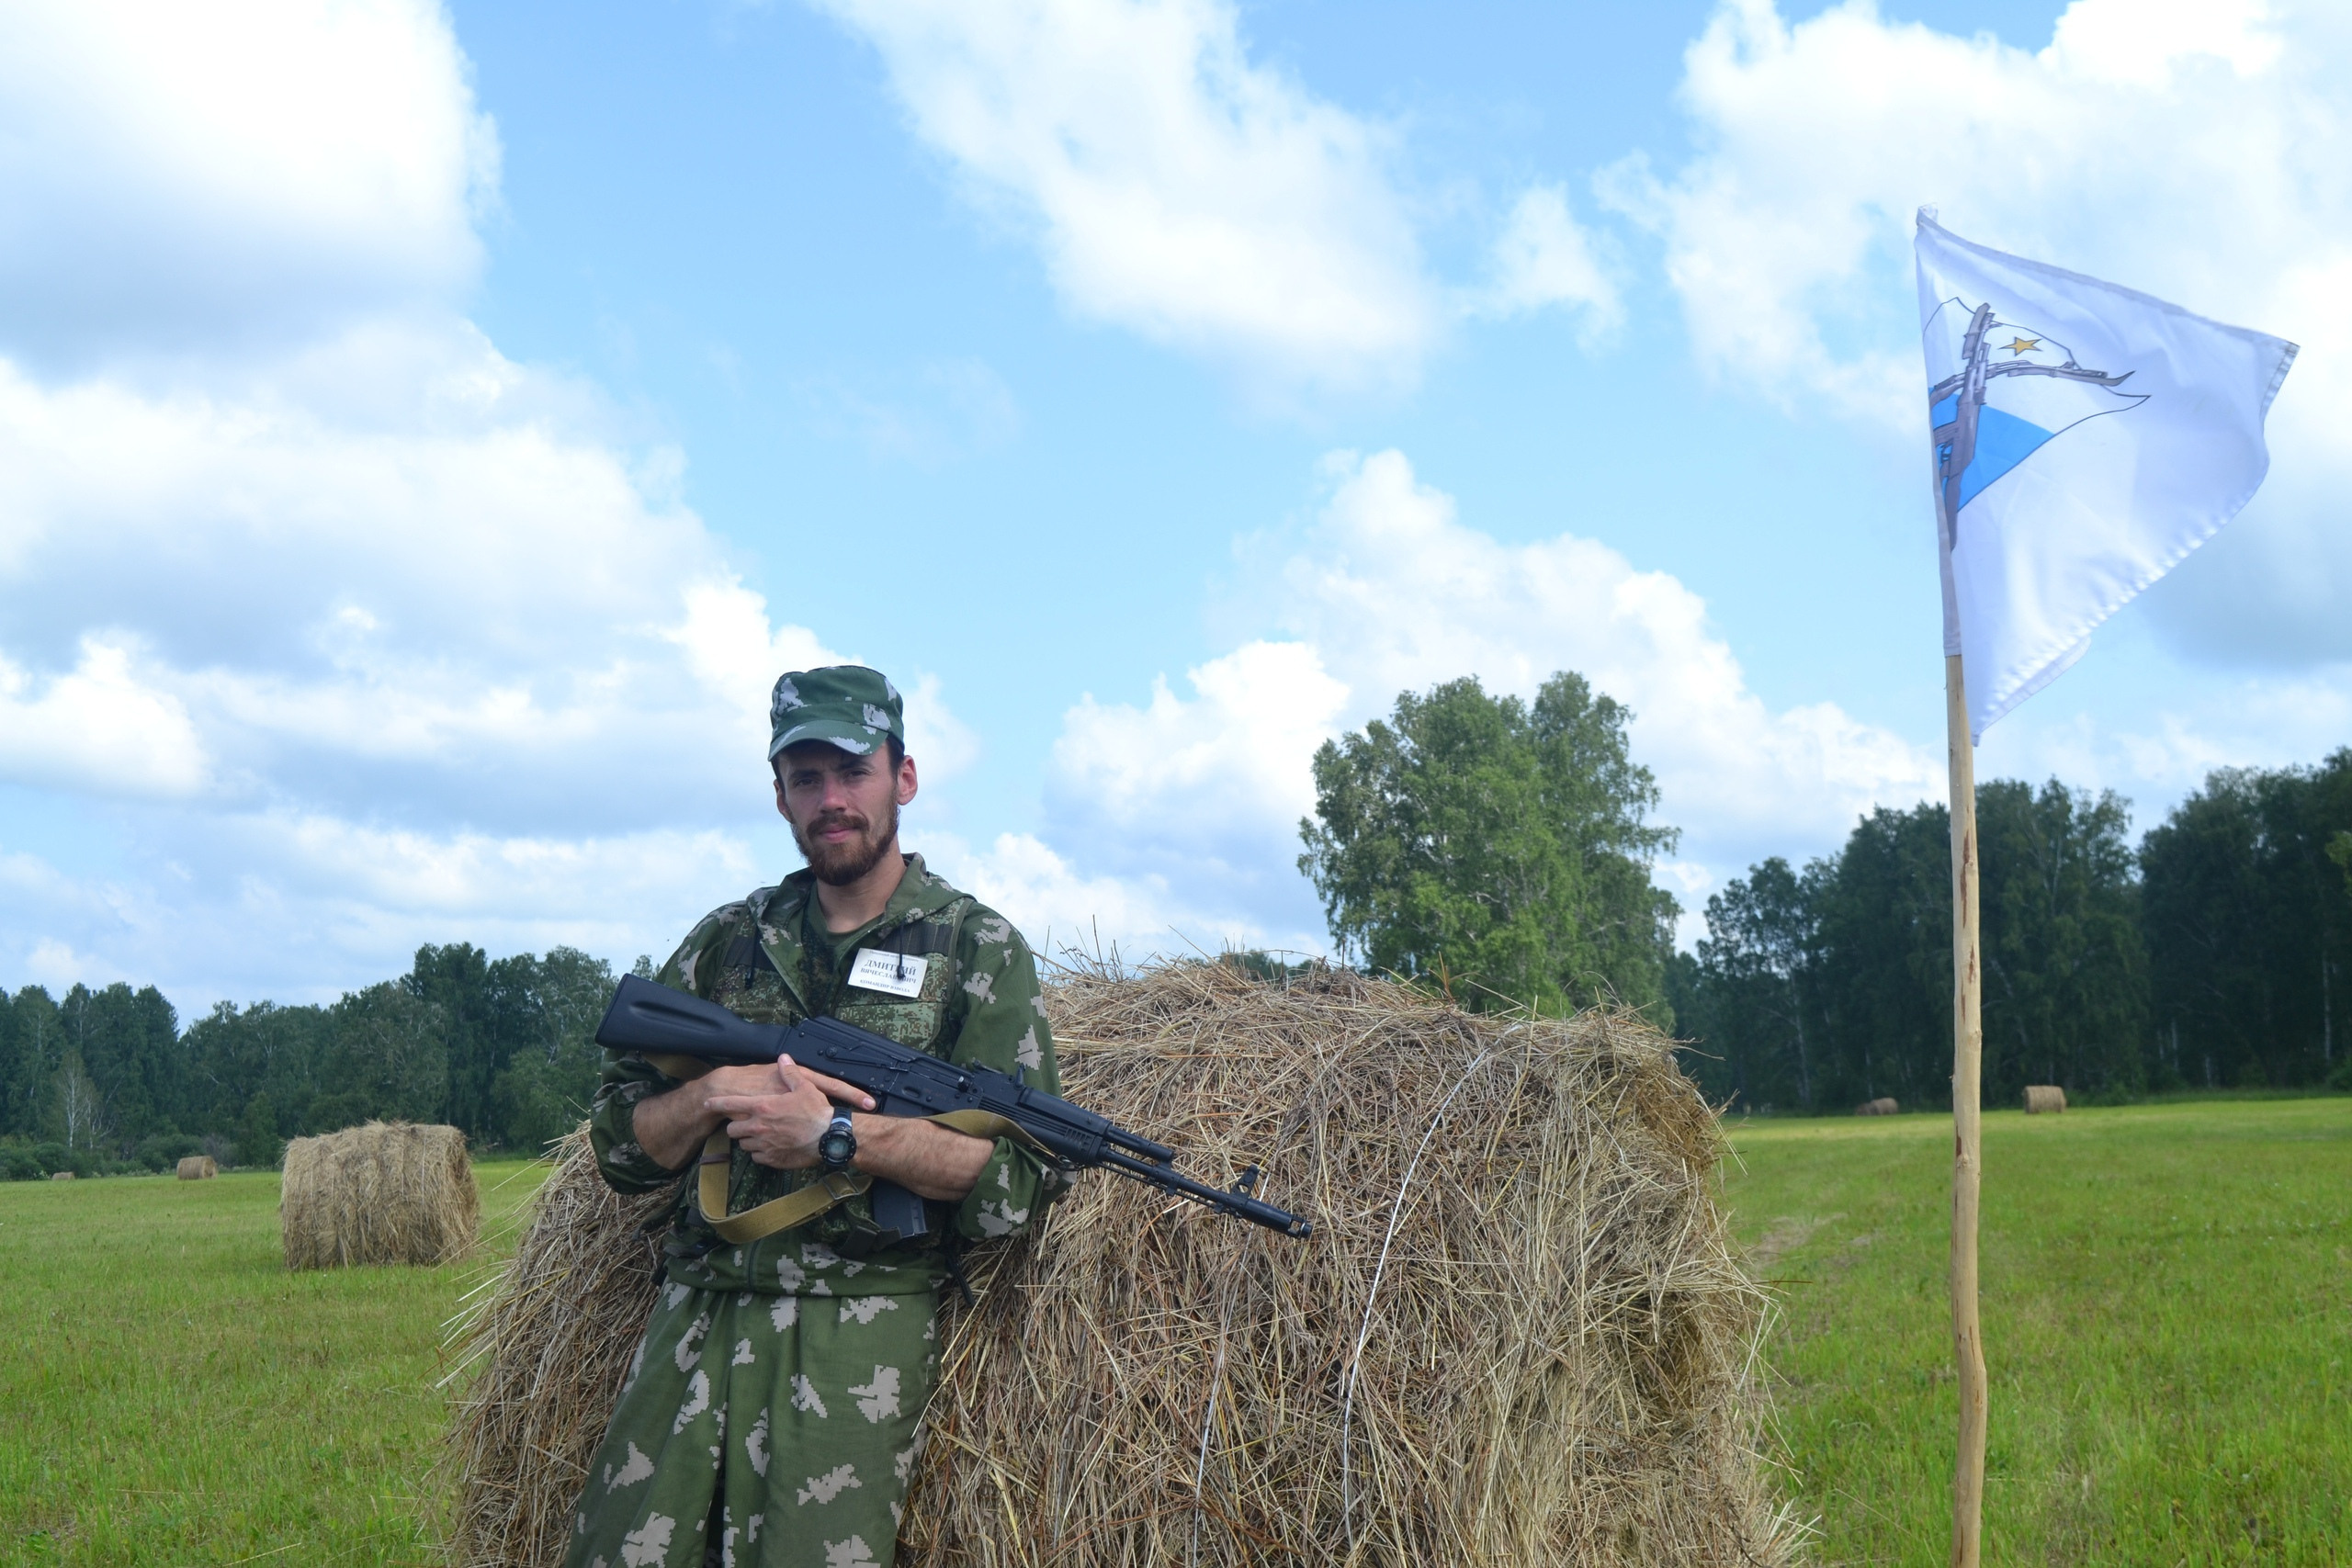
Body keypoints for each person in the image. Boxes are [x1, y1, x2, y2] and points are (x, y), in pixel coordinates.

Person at [571, 665, 1063, 1568]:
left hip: (854, 1334)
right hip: (698, 1313)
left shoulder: (975, 949)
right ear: (780, 796)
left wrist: (840, 1138)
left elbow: (1014, 1189)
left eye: (852, 772)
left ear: (902, 778)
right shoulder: (730, 939)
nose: (831, 800)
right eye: (807, 779)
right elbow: (618, 1144)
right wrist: (714, 1096)